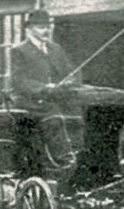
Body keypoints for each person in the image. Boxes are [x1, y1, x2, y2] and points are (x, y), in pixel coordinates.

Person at [8, 9, 82, 173]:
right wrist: (43, 88)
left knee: (79, 111)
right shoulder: (19, 51)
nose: (46, 30)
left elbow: (71, 71)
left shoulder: (56, 49)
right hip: (29, 102)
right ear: (30, 29)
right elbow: (18, 81)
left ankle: (79, 154)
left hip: (54, 99)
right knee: (54, 114)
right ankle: (63, 160)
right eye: (41, 26)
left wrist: (71, 81)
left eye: (48, 26)